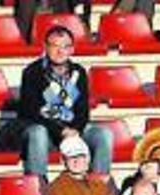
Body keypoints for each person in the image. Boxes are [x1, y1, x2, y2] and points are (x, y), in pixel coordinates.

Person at [19, 25, 113, 179]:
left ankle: (98, 187)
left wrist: (75, 129)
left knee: (103, 134)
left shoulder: (79, 73)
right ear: (45, 47)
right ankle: (39, 187)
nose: (60, 51)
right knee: (38, 132)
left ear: (72, 49)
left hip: (72, 129)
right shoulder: (32, 72)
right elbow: (31, 111)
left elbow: (83, 110)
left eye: (65, 46)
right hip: (46, 131)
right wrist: (61, 131)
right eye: (55, 46)